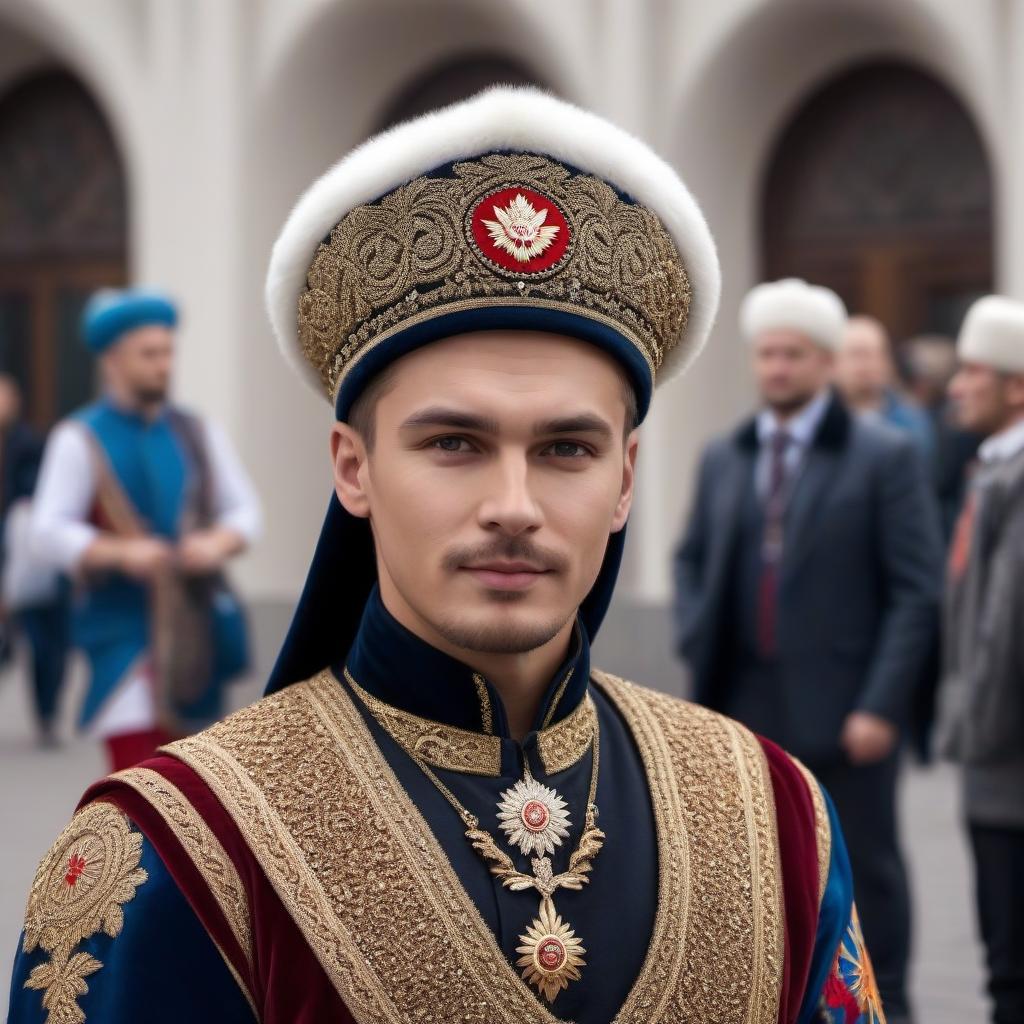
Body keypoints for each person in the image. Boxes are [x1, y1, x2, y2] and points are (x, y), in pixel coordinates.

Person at [9, 91, 882, 1024]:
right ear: (354, 467)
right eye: (454, 444)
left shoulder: (777, 818)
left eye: (566, 450)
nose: (514, 509)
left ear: (626, 479)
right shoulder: (180, 845)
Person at [674, 277, 943, 1023]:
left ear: (826, 362)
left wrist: (883, 705)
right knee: (758, 872)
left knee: (869, 878)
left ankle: (884, 1008)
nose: (777, 369)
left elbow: (917, 592)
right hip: (743, 706)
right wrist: (698, 636)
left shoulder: (883, 456)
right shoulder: (726, 455)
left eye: (793, 355)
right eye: (767, 354)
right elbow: (692, 559)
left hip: (849, 716)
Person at [26, 290, 262, 771]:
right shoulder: (79, 436)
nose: (163, 364)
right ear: (112, 360)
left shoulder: (196, 430)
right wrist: (119, 554)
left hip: (195, 633)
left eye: (168, 351)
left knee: (196, 786)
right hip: (121, 638)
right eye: (148, 354)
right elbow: (45, 531)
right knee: (137, 784)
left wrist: (215, 543)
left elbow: (245, 512)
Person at [936, 294, 1024, 1024]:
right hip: (999, 762)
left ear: (1016, 385)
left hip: (1008, 769)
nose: (956, 386)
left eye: (973, 371)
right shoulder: (991, 468)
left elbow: (1002, 630)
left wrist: (971, 737)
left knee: (1011, 968)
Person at [0, 374, 69, 743]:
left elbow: (43, 496)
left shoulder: (30, 444)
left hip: (31, 557)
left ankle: (47, 713)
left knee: (45, 642)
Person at [834, 314, 934, 460]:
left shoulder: (911, 422)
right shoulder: (818, 420)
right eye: (856, 354)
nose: (865, 364)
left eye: (875, 354)